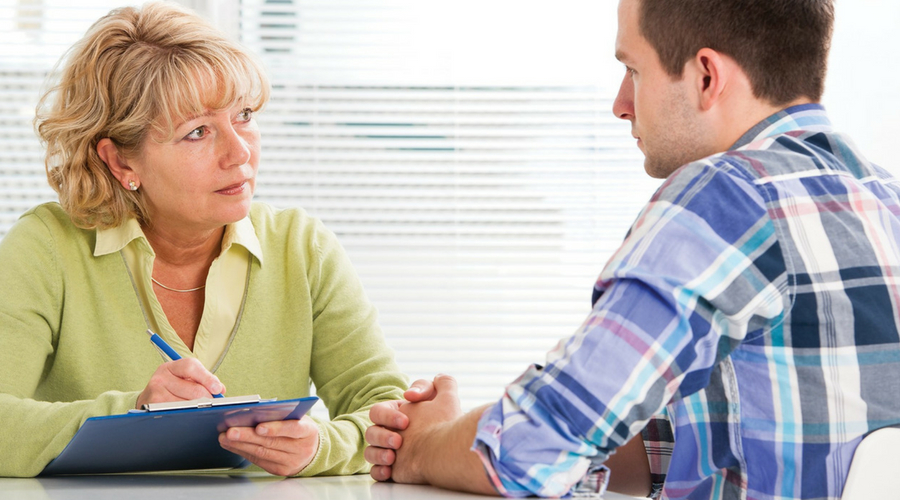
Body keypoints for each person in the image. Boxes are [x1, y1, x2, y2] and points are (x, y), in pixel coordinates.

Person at [363, 0, 900, 498]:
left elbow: (532, 449)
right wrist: (458, 433)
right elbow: (737, 438)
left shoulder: (725, 198)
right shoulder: (885, 200)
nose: (621, 105)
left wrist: (422, 449)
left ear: (706, 76)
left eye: (634, 70)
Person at [0, 1, 406, 478]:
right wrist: (132, 412)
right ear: (121, 162)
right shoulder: (47, 247)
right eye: (197, 132)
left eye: (245, 115)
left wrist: (321, 447)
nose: (239, 153)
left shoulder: (303, 248)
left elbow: (388, 414)